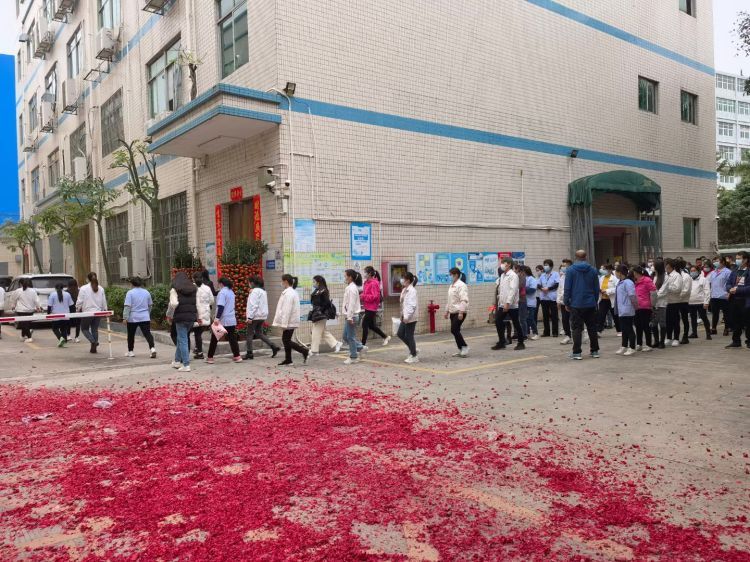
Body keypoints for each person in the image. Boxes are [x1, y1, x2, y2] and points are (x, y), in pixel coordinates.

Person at [563, 250, 600, 360]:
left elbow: (567, 288)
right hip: (590, 303)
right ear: (586, 257)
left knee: (576, 328)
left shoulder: (570, 270)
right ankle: (594, 351)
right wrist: (594, 300)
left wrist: (566, 302)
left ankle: (577, 352)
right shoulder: (593, 270)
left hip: (576, 303)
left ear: (576, 257)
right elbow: (596, 288)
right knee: (592, 328)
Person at [165, 272, 197, 371]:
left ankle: (186, 365)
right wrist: (199, 317)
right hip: (191, 317)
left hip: (180, 318)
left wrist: (169, 315)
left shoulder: (174, 290)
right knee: (180, 338)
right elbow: (198, 303)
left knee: (183, 340)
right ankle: (177, 361)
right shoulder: (194, 288)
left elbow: (173, 304)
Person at [206, 277, 242, 364]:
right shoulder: (231, 292)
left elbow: (221, 306)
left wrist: (217, 318)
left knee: (214, 338)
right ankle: (237, 356)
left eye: (218, 283)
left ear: (221, 284)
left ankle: (210, 357)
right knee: (232, 338)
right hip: (231, 318)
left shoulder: (222, 293)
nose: (218, 285)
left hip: (223, 319)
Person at [493, 257, 525, 351]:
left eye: (503, 262)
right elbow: (502, 290)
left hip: (511, 305)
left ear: (509, 264)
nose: (502, 264)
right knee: (498, 321)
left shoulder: (513, 275)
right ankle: (501, 342)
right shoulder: (503, 275)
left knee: (516, 323)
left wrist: (508, 303)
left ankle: (521, 343)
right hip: (502, 304)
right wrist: (500, 301)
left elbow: (513, 290)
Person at [245, 275, 279, 360]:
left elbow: (254, 305)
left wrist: (250, 317)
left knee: (249, 334)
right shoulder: (263, 291)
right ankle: (273, 346)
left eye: (249, 282)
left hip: (255, 316)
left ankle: (249, 353)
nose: (249, 284)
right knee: (259, 333)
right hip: (262, 316)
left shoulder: (254, 292)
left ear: (252, 283)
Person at [123, 277, 156, 358]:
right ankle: (152, 348)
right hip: (145, 317)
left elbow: (127, 306)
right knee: (147, 333)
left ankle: (131, 351)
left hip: (133, 317)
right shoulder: (146, 292)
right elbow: (150, 305)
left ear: (132, 284)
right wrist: (147, 313)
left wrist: (125, 317)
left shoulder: (130, 293)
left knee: (131, 335)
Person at [76, 272, 107, 354]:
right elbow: (104, 301)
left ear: (88, 279)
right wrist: (104, 310)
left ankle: (93, 342)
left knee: (84, 328)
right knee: (94, 330)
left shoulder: (83, 288)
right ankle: (94, 348)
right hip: (98, 313)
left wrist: (77, 309)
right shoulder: (101, 288)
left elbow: (80, 301)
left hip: (87, 313)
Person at [726, 251, 750, 349]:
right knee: (735, 321)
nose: (737, 260)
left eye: (739, 258)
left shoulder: (748, 271)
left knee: (748, 322)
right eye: (737, 258)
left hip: (745, 300)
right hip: (734, 299)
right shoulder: (735, 270)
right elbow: (728, 283)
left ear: (746, 259)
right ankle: (736, 341)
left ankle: (749, 341)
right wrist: (729, 289)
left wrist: (738, 290)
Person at [361, 266, 390, 347]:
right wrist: (362, 295)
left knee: (364, 324)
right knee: (371, 326)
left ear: (370, 273)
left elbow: (375, 296)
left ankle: (362, 344)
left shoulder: (374, 283)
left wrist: (363, 296)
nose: (364, 273)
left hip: (372, 307)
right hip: (367, 306)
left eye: (365, 272)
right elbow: (366, 293)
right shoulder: (366, 282)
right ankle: (385, 337)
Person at [658, 258, 683, 347]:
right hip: (666, 302)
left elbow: (677, 288)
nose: (666, 267)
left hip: (674, 302)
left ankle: (676, 338)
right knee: (667, 321)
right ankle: (668, 337)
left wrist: (667, 288)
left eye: (667, 265)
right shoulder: (665, 275)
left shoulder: (677, 276)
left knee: (675, 320)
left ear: (671, 266)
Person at [445, 267, 470, 357]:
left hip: (459, 312)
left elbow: (464, 299)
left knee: (454, 329)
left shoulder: (461, 285)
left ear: (456, 275)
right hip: (452, 312)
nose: (449, 276)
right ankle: (461, 349)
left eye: (450, 275)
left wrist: (461, 312)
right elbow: (450, 300)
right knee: (456, 330)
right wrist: (446, 311)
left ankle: (464, 346)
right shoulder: (452, 286)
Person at [613, 265, 637, 356]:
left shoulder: (628, 282)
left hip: (627, 309)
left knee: (629, 328)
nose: (615, 273)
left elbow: (632, 296)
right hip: (622, 309)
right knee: (624, 329)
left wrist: (635, 307)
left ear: (620, 272)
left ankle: (632, 347)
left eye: (616, 271)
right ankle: (624, 345)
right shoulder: (621, 282)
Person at [342, 269, 364, 364]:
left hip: (352, 316)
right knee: (345, 336)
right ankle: (360, 347)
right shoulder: (350, 287)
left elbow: (351, 304)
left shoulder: (352, 288)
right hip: (350, 315)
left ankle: (353, 356)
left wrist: (350, 317)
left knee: (350, 337)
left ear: (350, 277)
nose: (344, 278)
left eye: (345, 276)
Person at [632, 266, 656, 351]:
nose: (633, 274)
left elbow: (653, 292)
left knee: (645, 325)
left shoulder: (647, 280)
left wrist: (652, 304)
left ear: (637, 272)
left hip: (645, 306)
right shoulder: (636, 281)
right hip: (637, 306)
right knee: (638, 325)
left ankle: (648, 344)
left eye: (634, 272)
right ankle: (639, 343)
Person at [192, 271, 215, 360]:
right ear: (202, 278)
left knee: (197, 333)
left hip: (196, 314)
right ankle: (197, 349)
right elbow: (212, 301)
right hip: (205, 313)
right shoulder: (207, 288)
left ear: (193, 279)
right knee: (198, 333)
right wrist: (205, 305)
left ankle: (199, 352)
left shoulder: (192, 288)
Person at [398, 271, 419, 363]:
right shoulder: (405, 290)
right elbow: (403, 304)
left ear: (408, 280)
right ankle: (413, 349)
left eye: (403, 278)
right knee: (400, 333)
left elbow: (412, 306)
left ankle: (414, 356)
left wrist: (406, 317)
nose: (402, 280)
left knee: (409, 336)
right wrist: (402, 315)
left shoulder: (412, 291)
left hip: (411, 317)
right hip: (405, 316)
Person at [11, 278, 41, 342]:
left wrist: (13, 306)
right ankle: (22, 336)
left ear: (20, 284)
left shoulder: (18, 291)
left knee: (24, 324)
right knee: (25, 324)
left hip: (21, 310)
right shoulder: (33, 291)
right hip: (30, 310)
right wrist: (38, 307)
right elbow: (36, 300)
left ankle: (29, 338)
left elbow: (14, 299)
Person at [708, 255, 732, 336]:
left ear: (723, 262)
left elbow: (730, 283)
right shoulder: (713, 272)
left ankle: (726, 328)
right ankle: (714, 328)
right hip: (714, 295)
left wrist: (729, 293)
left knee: (726, 314)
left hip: (724, 295)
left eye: (717, 261)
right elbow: (709, 283)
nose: (715, 263)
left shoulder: (728, 272)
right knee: (715, 313)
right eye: (714, 261)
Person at [688, 263, 711, 340]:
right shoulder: (689, 279)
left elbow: (707, 291)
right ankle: (694, 333)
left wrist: (706, 302)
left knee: (704, 318)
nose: (692, 272)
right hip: (691, 302)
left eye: (694, 270)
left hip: (701, 302)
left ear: (698, 271)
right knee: (693, 318)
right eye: (691, 271)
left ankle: (708, 333)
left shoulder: (703, 279)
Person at [47, 282, 74, 347]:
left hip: (56, 315)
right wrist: (72, 314)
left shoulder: (52, 294)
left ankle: (60, 338)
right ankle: (64, 342)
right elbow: (71, 305)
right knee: (64, 329)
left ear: (55, 288)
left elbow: (49, 306)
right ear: (63, 288)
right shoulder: (67, 294)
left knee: (55, 328)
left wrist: (48, 313)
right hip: (66, 316)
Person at [538, 259, 559, 337]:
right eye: (544, 265)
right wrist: (541, 288)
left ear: (551, 266)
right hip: (544, 298)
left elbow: (557, 284)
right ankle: (546, 332)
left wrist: (548, 288)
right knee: (545, 316)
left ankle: (555, 332)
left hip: (552, 298)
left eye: (547, 265)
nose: (545, 266)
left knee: (554, 316)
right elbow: (538, 284)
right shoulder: (542, 275)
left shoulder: (555, 274)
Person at [597, 264, 619, 334]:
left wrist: (607, 291)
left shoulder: (614, 278)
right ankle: (599, 330)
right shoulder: (601, 278)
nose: (603, 271)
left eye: (605, 269)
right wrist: (600, 290)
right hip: (603, 299)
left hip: (611, 299)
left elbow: (617, 288)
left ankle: (619, 330)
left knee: (615, 315)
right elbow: (598, 286)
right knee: (601, 315)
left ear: (610, 270)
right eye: (603, 269)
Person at [677, 259, 693, 345]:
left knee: (684, 319)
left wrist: (677, 297)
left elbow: (686, 290)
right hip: (675, 301)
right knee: (676, 319)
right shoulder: (675, 275)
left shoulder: (686, 276)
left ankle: (685, 336)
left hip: (683, 301)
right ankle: (676, 337)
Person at [557, 259, 573, 344]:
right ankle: (568, 335)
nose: (562, 268)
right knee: (564, 319)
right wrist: (558, 301)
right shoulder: (562, 277)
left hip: (572, 301)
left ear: (569, 266)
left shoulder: (574, 275)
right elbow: (559, 290)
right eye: (562, 266)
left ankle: (580, 334)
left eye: (564, 266)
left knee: (574, 319)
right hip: (564, 301)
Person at [524, 266, 539, 340]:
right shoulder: (524, 278)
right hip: (524, 302)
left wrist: (523, 289)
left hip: (531, 302)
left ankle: (535, 333)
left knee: (530, 318)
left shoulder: (532, 279)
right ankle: (527, 333)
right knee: (525, 319)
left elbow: (532, 290)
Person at [66, 278, 81, 343]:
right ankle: (76, 337)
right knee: (78, 324)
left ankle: (68, 335)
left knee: (68, 323)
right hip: (78, 309)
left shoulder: (66, 292)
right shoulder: (79, 291)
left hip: (69, 309)